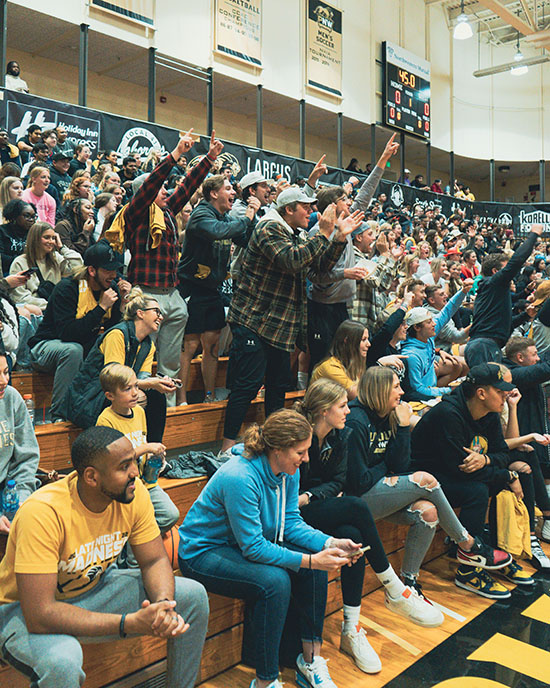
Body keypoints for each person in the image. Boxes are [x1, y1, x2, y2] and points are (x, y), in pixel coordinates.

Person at [0, 425, 208, 688]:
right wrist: (128, 623)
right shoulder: (42, 513)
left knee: (193, 597)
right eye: (124, 467)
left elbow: (154, 560)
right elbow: (40, 614)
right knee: (63, 660)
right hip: (20, 610)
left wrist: (163, 605)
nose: (135, 472)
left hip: (92, 591)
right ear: (92, 477)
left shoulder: (134, 494)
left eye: (133, 461)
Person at [180, 408, 362, 688]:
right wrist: (311, 560)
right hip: (202, 551)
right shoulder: (240, 477)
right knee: (275, 582)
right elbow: (253, 549)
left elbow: (290, 522)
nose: (307, 458)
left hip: (239, 545)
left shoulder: (289, 471)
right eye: (300, 452)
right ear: (277, 449)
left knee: (311, 569)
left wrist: (330, 543)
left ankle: (310, 661)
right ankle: (265, 681)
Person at [295, 379, 443, 673]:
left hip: (312, 504)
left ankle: (351, 629)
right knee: (357, 505)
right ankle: (393, 586)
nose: (348, 411)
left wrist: (310, 495)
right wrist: (308, 496)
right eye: (342, 406)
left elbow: (337, 482)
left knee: (353, 536)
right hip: (291, 514)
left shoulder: (341, 436)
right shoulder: (298, 434)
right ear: (324, 410)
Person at [347, 365, 511, 599]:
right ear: (380, 390)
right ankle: (467, 545)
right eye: (396, 387)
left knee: (428, 512)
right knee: (427, 480)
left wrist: (403, 429)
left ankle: (409, 583)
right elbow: (359, 481)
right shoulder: (356, 421)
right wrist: (388, 466)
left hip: (383, 490)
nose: (402, 392)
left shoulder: (390, 416)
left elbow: (400, 466)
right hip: (357, 499)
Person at [220, 187, 364, 452]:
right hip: (254, 320)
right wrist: (323, 233)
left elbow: (318, 266)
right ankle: (226, 449)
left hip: (279, 326)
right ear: (289, 209)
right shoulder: (268, 229)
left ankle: (275, 442)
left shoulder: (295, 234)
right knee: (247, 387)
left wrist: (340, 238)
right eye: (305, 207)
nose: (311, 211)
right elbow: (292, 260)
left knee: (278, 387)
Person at [104, 130, 223, 405]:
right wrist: (177, 154)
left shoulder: (167, 212)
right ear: (145, 193)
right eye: (160, 189)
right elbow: (152, 183)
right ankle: (135, 406)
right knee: (142, 356)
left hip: (172, 294)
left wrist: (209, 158)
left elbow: (187, 187)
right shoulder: (135, 212)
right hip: (146, 294)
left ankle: (166, 409)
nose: (166, 191)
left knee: (169, 362)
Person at [411, 363, 528, 598]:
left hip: (456, 475)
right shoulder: (448, 415)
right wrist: (505, 474)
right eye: (500, 390)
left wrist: (486, 460)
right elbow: (460, 470)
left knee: (513, 475)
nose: (506, 395)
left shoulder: (490, 413)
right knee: (476, 490)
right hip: (426, 481)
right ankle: (468, 570)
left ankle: (495, 553)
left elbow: (501, 454)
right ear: (481, 393)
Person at [176, 174, 259, 405]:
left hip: (212, 289)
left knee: (211, 344)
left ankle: (209, 395)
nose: (234, 192)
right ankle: (181, 398)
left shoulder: (224, 217)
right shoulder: (202, 214)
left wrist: (252, 220)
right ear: (214, 193)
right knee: (190, 344)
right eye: (229, 188)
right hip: (191, 287)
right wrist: (247, 217)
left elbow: (245, 239)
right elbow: (216, 232)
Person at [28, 240, 128, 421]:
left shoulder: (111, 288)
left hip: (80, 347)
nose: (113, 275)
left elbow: (113, 332)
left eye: (115, 270)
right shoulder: (68, 288)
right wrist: (101, 308)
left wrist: (123, 305)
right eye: (107, 270)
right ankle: (59, 415)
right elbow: (68, 334)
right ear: (91, 270)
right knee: (73, 350)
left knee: (110, 348)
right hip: (45, 347)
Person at [62, 286, 174, 437]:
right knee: (136, 397)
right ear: (140, 313)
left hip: (119, 392)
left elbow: (142, 379)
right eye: (156, 311)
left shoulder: (149, 345)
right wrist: (150, 383)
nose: (160, 317)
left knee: (156, 396)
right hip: (92, 397)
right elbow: (114, 379)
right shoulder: (117, 334)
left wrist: (158, 382)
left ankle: (154, 452)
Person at [96, 363, 179, 542]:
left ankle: (135, 545)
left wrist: (152, 455)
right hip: (121, 487)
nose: (135, 393)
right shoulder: (106, 420)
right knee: (133, 520)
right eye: (127, 389)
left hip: (145, 482)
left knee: (170, 514)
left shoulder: (140, 412)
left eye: (136, 386)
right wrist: (147, 448)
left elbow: (141, 442)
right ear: (110, 395)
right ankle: (134, 563)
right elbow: (115, 460)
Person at [466, 224, 543, 366]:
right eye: (504, 269)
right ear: (496, 271)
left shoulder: (494, 291)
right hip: (483, 346)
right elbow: (516, 262)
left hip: (487, 345)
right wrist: (533, 234)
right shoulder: (492, 283)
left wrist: (526, 315)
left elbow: (506, 325)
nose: (509, 275)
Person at [503, 337, 550, 546]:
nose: (538, 359)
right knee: (529, 459)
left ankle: (541, 522)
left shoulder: (523, 370)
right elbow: (544, 370)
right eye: (534, 355)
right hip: (512, 442)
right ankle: (537, 529)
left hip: (529, 436)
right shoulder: (512, 374)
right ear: (519, 357)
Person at [400, 280, 472, 401]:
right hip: (421, 400)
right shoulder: (411, 356)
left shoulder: (426, 336)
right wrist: (449, 391)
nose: (434, 324)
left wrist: (463, 291)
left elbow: (448, 310)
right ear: (417, 327)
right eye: (429, 322)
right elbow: (417, 390)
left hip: (432, 390)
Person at [0, 351, 39, 534]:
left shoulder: (11, 398)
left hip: (8, 491)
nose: (3, 381)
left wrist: (21, 497)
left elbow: (26, 457)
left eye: (6, 372)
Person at [9, 221, 82, 310]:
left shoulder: (56, 258)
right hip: (36, 311)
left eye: (53, 238)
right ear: (35, 239)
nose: (51, 241)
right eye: (46, 238)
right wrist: (51, 305)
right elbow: (20, 297)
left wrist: (61, 248)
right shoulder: (20, 262)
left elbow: (78, 268)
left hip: (56, 308)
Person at [425, 284, 470, 353]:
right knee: (477, 347)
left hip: (452, 346)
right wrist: (476, 324)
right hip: (443, 351)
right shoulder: (432, 317)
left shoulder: (440, 310)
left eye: (445, 293)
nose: (446, 296)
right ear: (431, 300)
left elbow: (453, 304)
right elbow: (457, 337)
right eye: (441, 294)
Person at [0, 199, 36, 275]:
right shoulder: (2, 231)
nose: (31, 220)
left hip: (29, 272)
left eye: (33, 217)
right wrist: (21, 261)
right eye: (27, 216)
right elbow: (1, 257)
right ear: (14, 216)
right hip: (7, 272)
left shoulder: (33, 233)